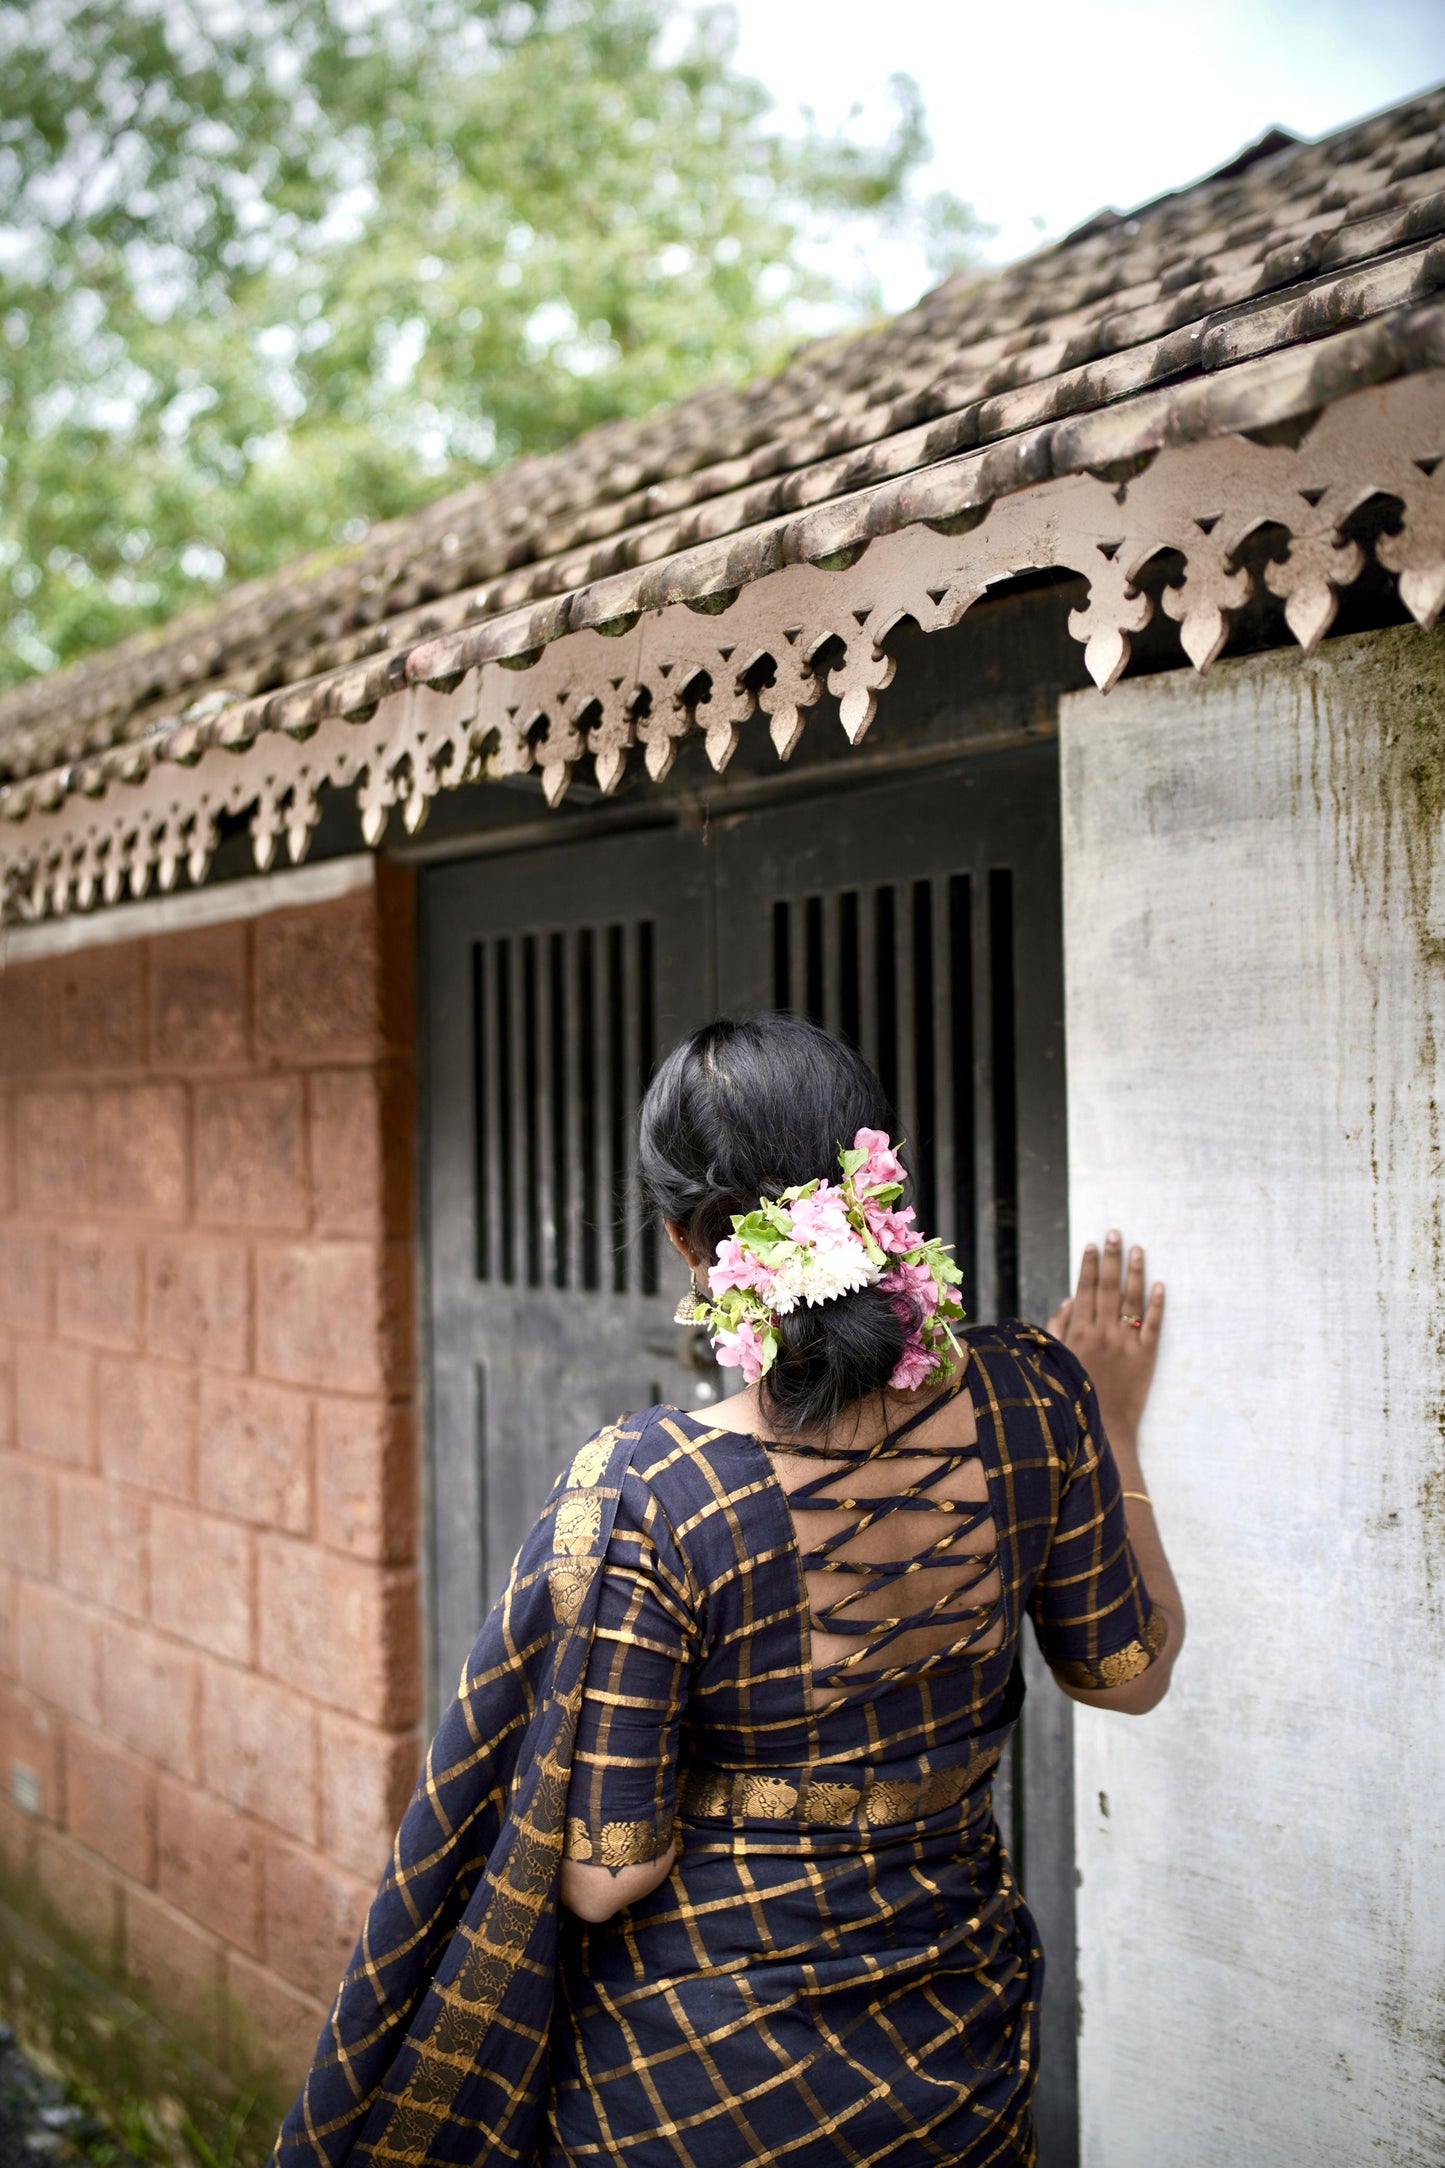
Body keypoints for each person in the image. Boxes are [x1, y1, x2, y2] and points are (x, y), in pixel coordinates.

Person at [273, 1015, 1184, 2168]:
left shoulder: (658, 1490)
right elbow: (1131, 1673)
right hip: (952, 2059)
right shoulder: (1033, 1395)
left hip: (697, 2086)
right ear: (875, 1178)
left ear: (682, 1242)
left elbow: (608, 1876)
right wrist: (1109, 1421)